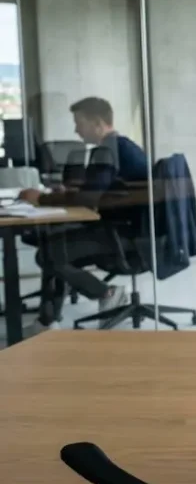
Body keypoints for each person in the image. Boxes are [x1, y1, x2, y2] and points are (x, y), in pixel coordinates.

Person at [20, 97, 149, 328]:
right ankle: (48, 319)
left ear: (97, 123)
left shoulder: (109, 150)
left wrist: (41, 198)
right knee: (54, 244)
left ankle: (106, 294)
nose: (76, 130)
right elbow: (98, 189)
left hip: (125, 236)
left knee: (50, 253)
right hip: (131, 230)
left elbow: (89, 199)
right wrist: (71, 191)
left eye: (79, 123)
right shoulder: (120, 146)